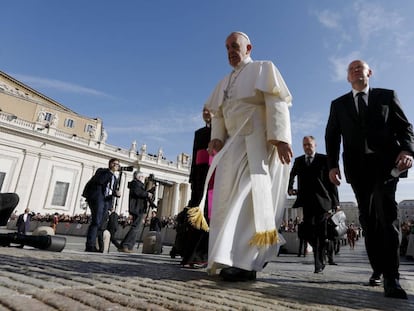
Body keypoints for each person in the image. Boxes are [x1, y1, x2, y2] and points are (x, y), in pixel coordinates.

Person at [204, 31, 293, 282]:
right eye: (227, 48)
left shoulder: (264, 68)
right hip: (232, 145)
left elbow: (277, 103)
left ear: (248, 47)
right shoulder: (223, 82)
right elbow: (220, 114)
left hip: (256, 142)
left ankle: (245, 262)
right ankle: (225, 257)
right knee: (225, 200)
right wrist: (217, 137)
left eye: (235, 46)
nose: (231, 51)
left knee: (246, 200)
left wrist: (281, 139)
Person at [325, 59, 414, 299]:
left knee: (388, 218)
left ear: (369, 72)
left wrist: (407, 151)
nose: (355, 70)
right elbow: (332, 137)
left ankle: (392, 278)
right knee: (369, 220)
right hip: (358, 170)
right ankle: (378, 268)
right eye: (351, 68)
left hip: (386, 166)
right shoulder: (339, 104)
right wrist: (332, 165)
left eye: (360, 67)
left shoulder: (387, 96)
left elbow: (405, 127)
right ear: (347, 77)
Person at [288, 136, 339, 273]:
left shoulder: (324, 159)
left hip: (323, 202)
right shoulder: (299, 161)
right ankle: (321, 251)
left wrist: (336, 203)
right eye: (304, 145)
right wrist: (290, 187)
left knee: (321, 233)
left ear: (315, 145)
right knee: (307, 232)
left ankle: (319, 262)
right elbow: (292, 175)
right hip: (306, 202)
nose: (307, 147)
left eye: (309, 144)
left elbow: (332, 183)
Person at [174, 107, 212, 268]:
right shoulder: (199, 133)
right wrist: (191, 178)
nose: (206, 113)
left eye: (209, 110)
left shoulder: (223, 130)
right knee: (195, 213)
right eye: (204, 110)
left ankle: (203, 254)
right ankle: (191, 254)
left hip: (214, 174)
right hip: (199, 175)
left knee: (209, 214)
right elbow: (195, 154)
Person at [82, 158, 121, 252]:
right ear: (111, 164)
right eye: (116, 164)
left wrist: (115, 196)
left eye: (118, 165)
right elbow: (100, 181)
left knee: (102, 224)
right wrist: (110, 171)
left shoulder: (114, 178)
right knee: (96, 221)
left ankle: (99, 246)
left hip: (107, 201)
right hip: (98, 198)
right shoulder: (102, 171)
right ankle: (90, 245)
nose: (117, 167)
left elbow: (111, 190)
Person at [118, 171, 152, 253]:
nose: (143, 178)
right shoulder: (136, 184)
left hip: (138, 207)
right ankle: (126, 245)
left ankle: (125, 245)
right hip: (137, 208)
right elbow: (138, 193)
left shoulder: (137, 184)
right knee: (135, 228)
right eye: (142, 177)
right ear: (138, 177)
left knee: (136, 227)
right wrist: (147, 194)